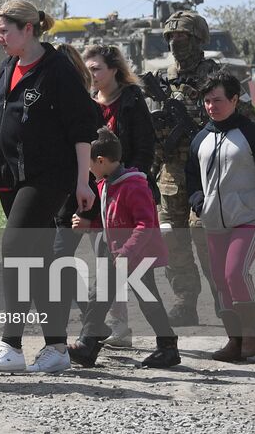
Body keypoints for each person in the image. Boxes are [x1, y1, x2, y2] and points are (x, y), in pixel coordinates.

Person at [0, 0, 98, 374]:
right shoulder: (9, 67)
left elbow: (82, 130)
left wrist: (83, 181)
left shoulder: (57, 70)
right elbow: (7, 118)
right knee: (38, 263)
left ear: (28, 29)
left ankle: (11, 345)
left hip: (48, 176)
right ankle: (56, 348)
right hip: (9, 176)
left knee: (15, 248)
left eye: (4, 31)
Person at [153, 9, 255, 326]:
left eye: (182, 36)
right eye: (171, 37)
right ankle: (185, 302)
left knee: (206, 238)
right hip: (170, 174)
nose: (175, 42)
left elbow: (247, 123)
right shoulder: (161, 78)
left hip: (208, 173)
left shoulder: (219, 77)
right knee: (173, 239)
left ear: (198, 39)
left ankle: (225, 300)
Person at [54, 43, 157, 348]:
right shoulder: (84, 102)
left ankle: (118, 327)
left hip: (120, 192)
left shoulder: (131, 101)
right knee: (61, 256)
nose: (92, 74)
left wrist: (125, 183)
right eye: (88, 69)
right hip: (85, 192)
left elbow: (144, 148)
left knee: (111, 262)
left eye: (97, 68)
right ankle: (94, 320)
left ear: (114, 69)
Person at [186, 72, 255, 362]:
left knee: (234, 273)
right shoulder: (200, 139)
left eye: (217, 100)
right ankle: (234, 340)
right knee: (220, 279)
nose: (211, 106)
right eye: (207, 101)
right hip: (213, 221)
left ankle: (251, 332)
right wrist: (198, 202)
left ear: (234, 100)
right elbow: (192, 178)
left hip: (249, 217)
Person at [67, 128, 179, 370]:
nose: (87, 170)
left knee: (148, 301)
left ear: (101, 161)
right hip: (116, 253)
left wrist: (127, 252)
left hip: (136, 255)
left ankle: (168, 347)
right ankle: (87, 345)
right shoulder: (106, 183)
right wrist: (90, 224)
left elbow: (146, 225)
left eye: (89, 164)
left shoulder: (134, 186)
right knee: (99, 298)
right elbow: (112, 218)